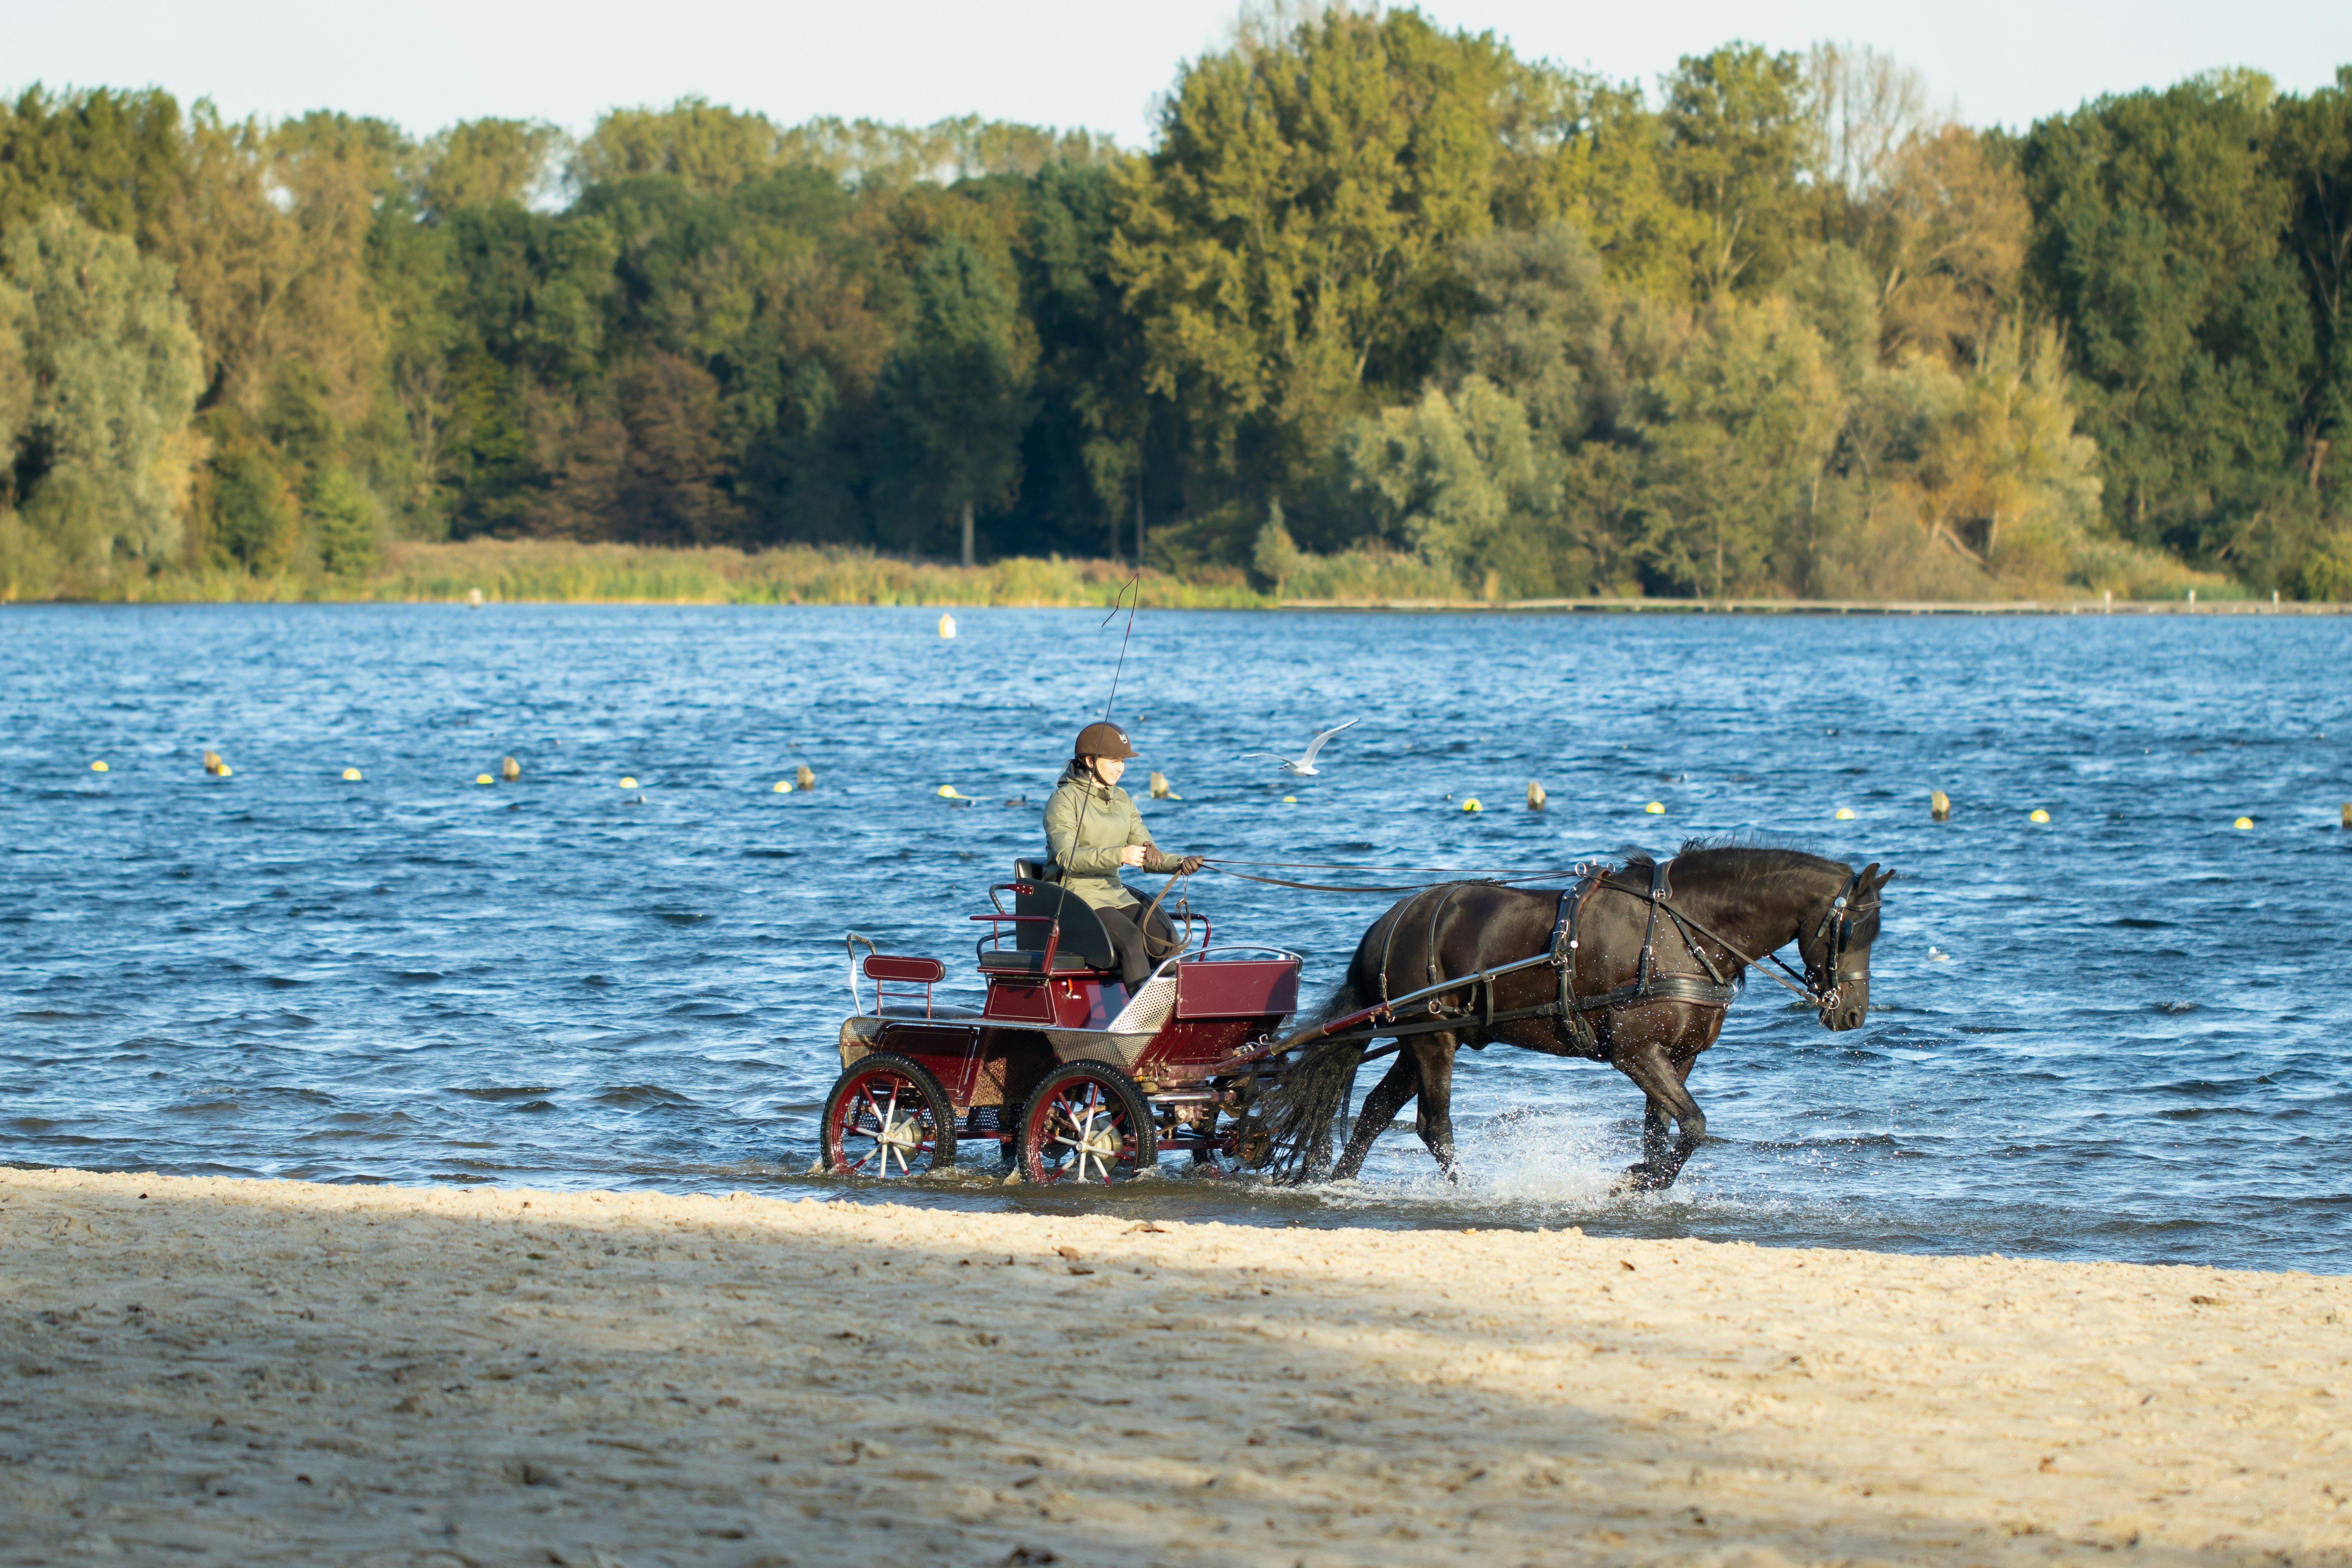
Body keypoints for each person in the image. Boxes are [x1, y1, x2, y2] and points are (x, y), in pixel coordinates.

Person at [1043, 721, 1205, 990]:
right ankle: (1140, 1021)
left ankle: (1176, 1013)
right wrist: (1120, 855)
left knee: (1165, 938)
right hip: (1073, 895)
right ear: (1089, 760)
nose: (1121, 767)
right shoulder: (1063, 800)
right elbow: (1067, 858)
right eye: (1114, 760)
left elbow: (1147, 853)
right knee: (1130, 938)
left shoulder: (1123, 800)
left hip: (1113, 892)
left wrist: (1180, 863)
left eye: (1123, 761)